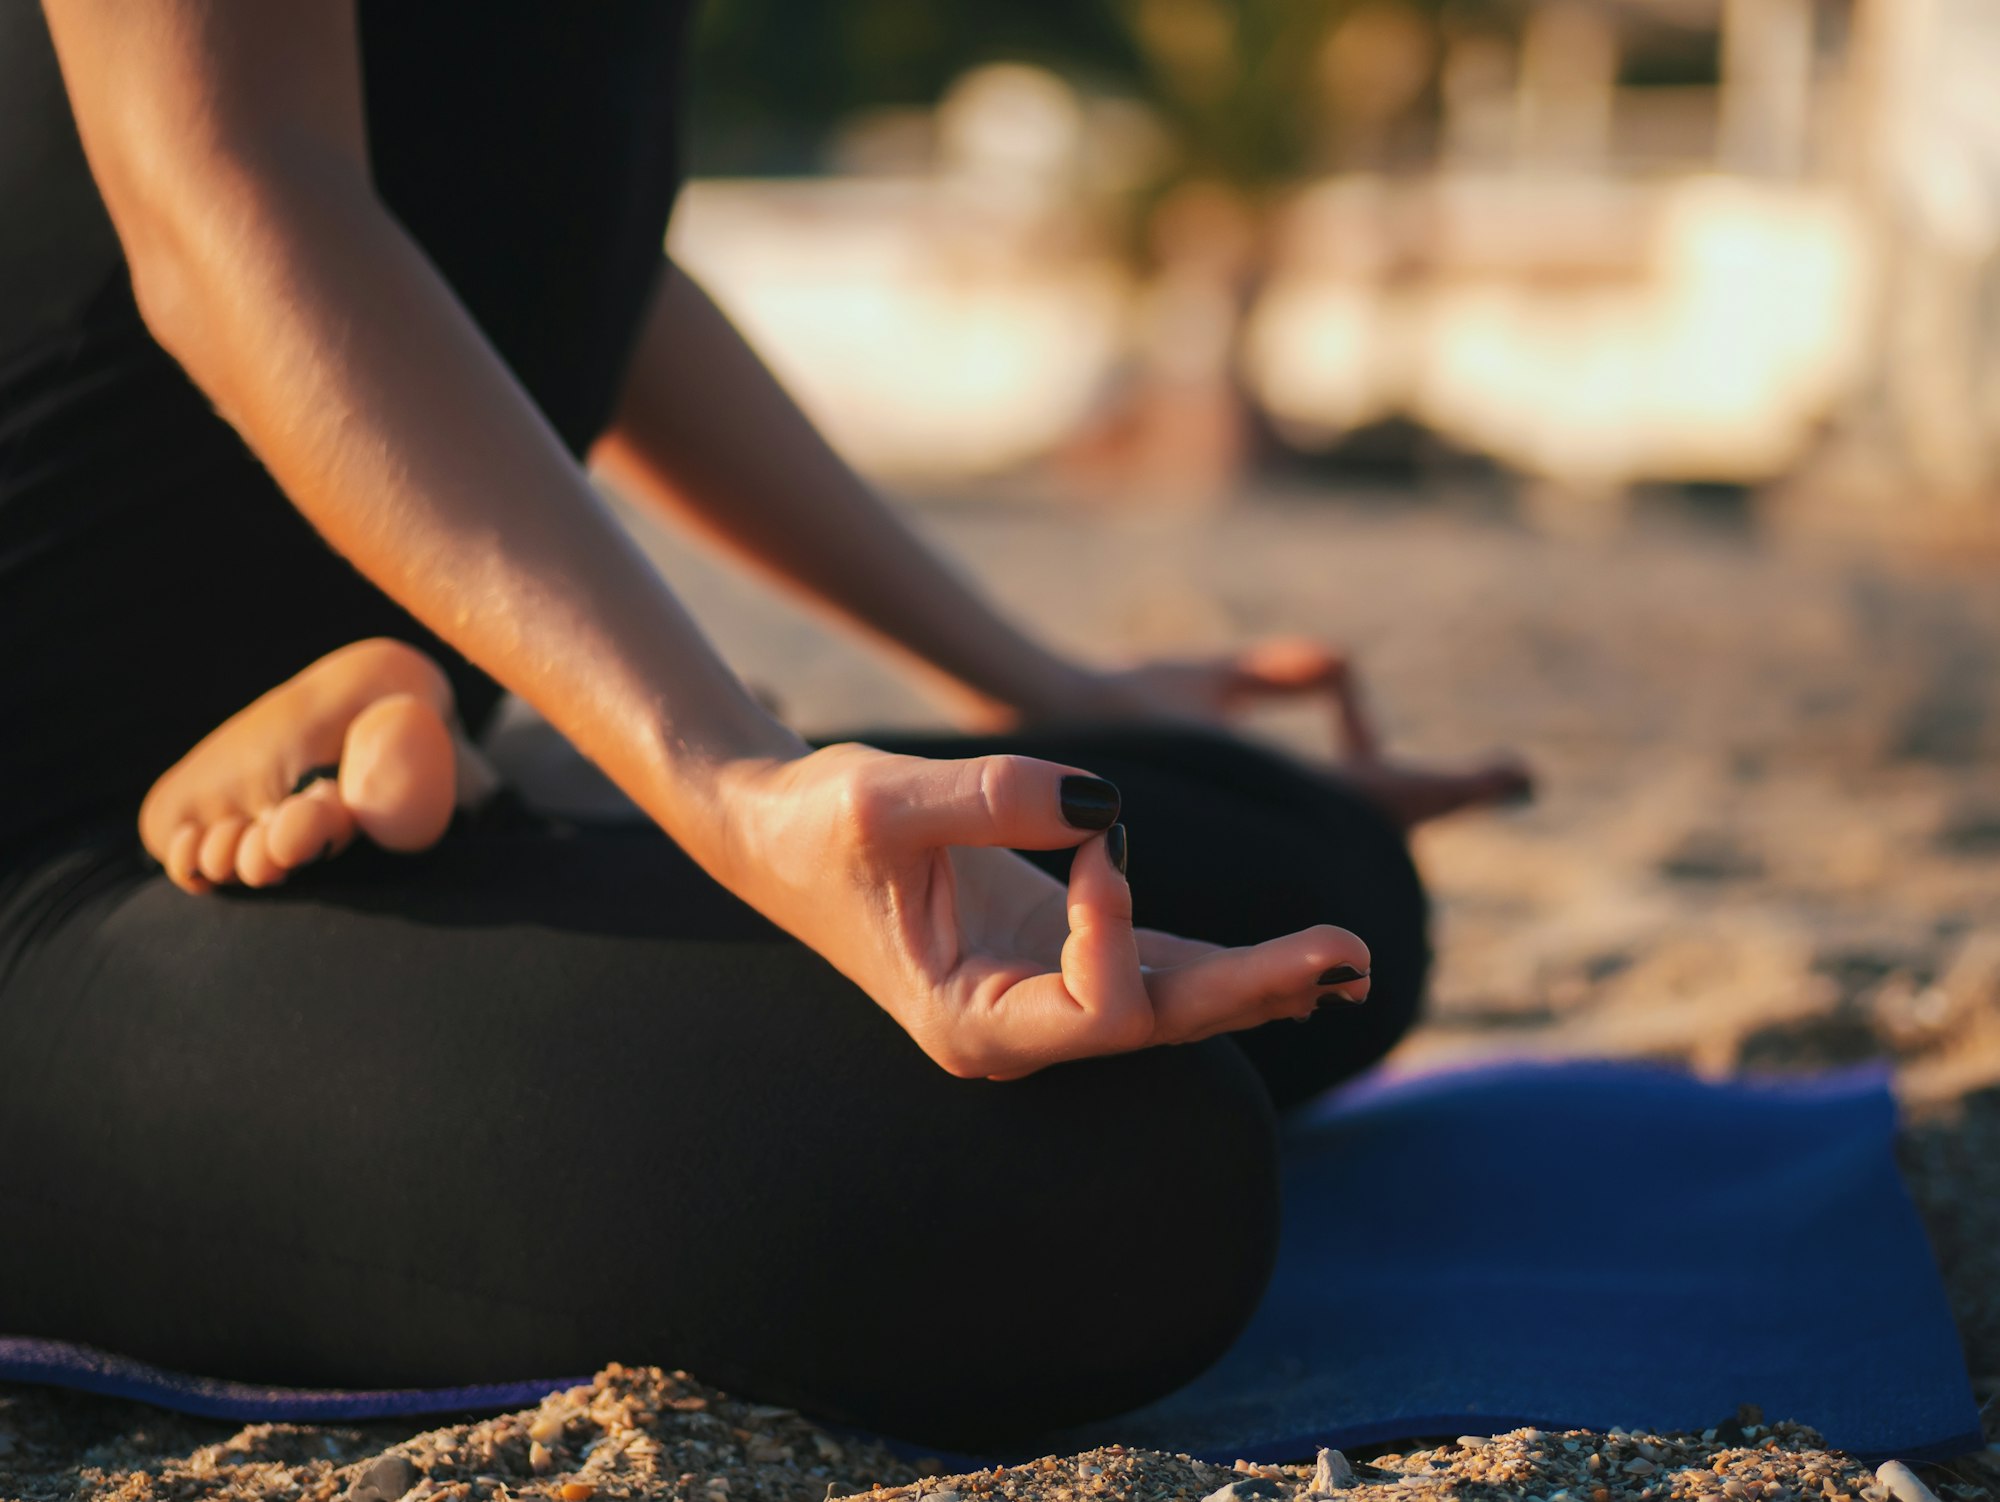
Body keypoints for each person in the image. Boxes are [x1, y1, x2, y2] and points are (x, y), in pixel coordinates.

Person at [0, 2, 1525, 1448]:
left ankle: (433, 788)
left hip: (384, 752)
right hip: (45, 855)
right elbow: (232, 193)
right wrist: (726, 779)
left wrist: (1028, 675)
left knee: (1302, 868)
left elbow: (574, 252)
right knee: (1125, 1177)